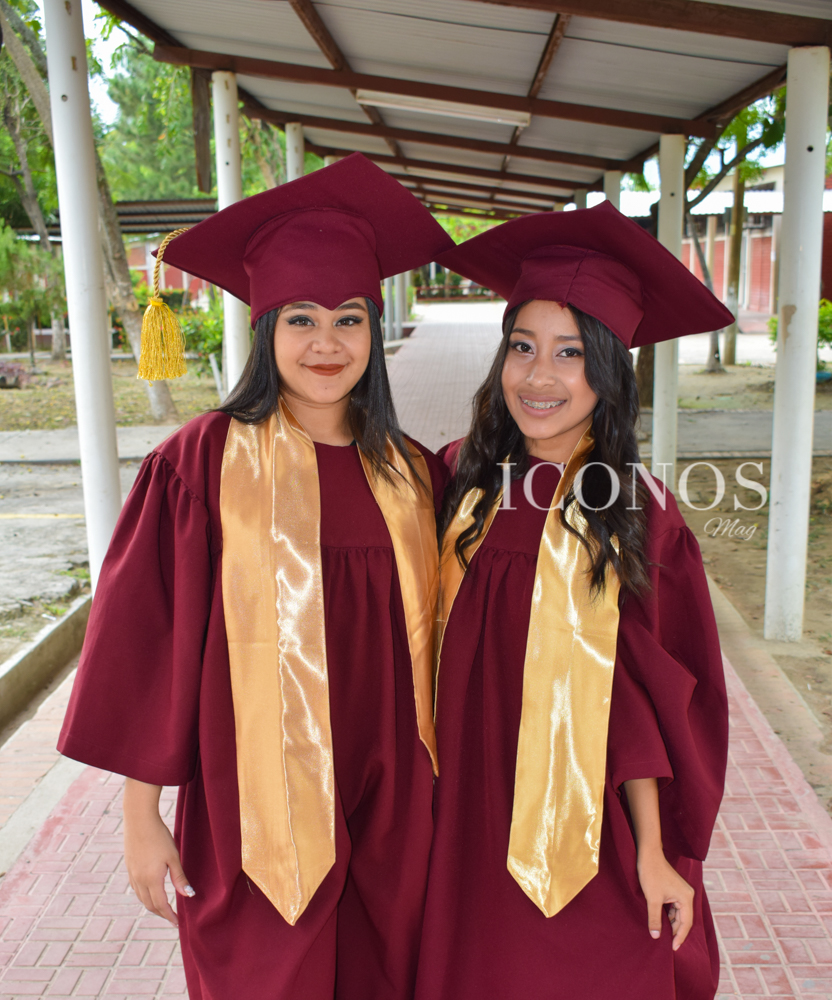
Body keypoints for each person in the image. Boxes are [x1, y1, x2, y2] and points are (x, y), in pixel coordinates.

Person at [58, 153, 454, 1000]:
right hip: (253, 793)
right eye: (300, 319)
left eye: (348, 319)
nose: (326, 343)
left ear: (372, 335)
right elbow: (152, 641)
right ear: (266, 331)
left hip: (399, 792)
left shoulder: (416, 472)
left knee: (391, 971)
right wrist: (141, 817)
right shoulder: (201, 464)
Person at [415, 202, 733, 1000]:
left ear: (610, 371)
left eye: (570, 354)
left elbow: (647, 701)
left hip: (578, 824)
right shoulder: (458, 480)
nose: (540, 377)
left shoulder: (637, 513)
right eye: (522, 348)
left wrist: (655, 849)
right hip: (458, 812)